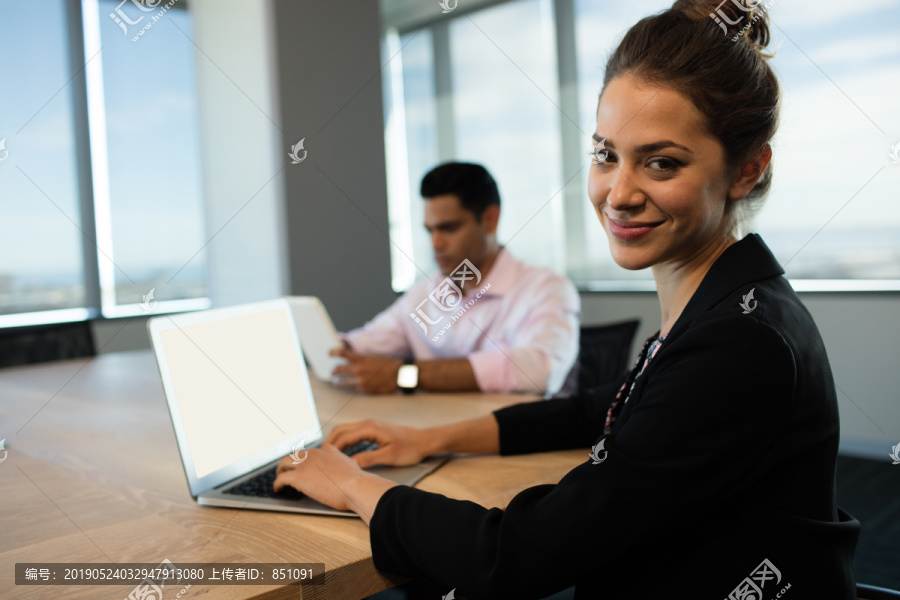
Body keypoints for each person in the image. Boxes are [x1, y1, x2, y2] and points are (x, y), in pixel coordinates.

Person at [274, 1, 860, 597]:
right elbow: (594, 410)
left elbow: (522, 554)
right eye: (606, 154)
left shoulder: (741, 339)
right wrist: (428, 438)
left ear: (745, 170)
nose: (618, 193)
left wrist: (351, 485)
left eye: (661, 162)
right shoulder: (723, 306)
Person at [331, 162, 580, 396]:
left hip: (521, 438)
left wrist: (405, 375)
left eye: (449, 228)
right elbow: (372, 340)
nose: (436, 244)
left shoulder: (546, 288)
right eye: (430, 230)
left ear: (490, 220)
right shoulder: (429, 290)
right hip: (436, 430)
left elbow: (538, 371)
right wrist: (336, 350)